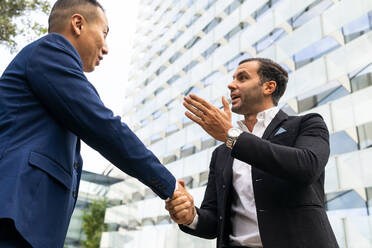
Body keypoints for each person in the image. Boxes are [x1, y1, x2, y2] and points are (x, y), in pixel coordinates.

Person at [0, 0, 178, 247]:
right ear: (78, 24)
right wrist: (170, 185)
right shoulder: (51, 50)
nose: (105, 48)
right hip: (14, 218)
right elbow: (103, 126)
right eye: (104, 34)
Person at [166, 58, 339, 248]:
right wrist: (189, 216)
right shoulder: (222, 152)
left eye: (242, 78)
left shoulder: (306, 124)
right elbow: (215, 222)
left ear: (268, 87)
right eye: (233, 79)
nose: (231, 85)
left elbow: (306, 167)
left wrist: (231, 136)